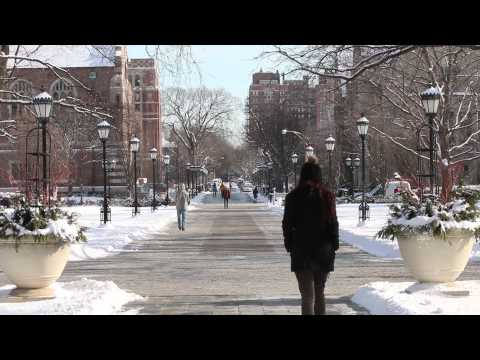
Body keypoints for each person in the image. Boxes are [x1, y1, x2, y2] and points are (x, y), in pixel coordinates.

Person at [282, 157, 339, 315]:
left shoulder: (293, 197)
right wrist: (334, 244)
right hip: (323, 249)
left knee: (307, 294)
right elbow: (333, 223)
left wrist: (289, 243)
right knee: (319, 292)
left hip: (300, 248)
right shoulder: (327, 196)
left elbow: (287, 223)